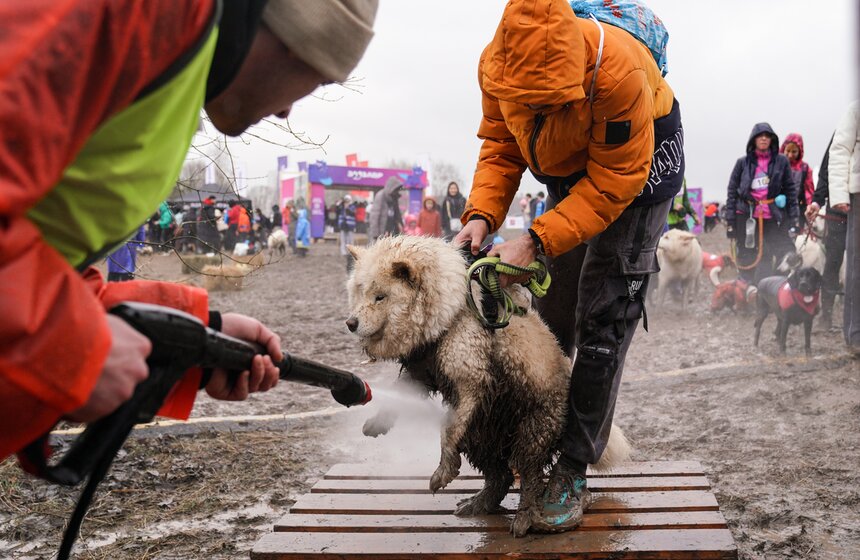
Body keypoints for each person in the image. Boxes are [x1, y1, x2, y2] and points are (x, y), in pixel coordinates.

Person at [0, 0, 379, 462]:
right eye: (315, 78)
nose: (286, 110)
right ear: (279, 33)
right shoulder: (125, 16)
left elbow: (44, 271)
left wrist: (192, 338)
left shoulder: (175, 73)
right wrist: (73, 347)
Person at [454, 0, 684, 532]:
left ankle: (575, 465)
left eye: (549, 102)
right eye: (527, 103)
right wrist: (483, 215)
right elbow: (501, 145)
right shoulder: (497, 65)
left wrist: (534, 241)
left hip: (635, 174)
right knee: (551, 307)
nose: (536, 110)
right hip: (567, 163)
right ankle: (528, 444)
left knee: (605, 313)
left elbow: (611, 184)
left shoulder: (618, 72)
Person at [725, 123, 798, 284]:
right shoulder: (742, 163)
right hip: (746, 214)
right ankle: (747, 290)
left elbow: (790, 190)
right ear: (753, 139)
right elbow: (732, 192)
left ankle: (769, 289)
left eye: (767, 135)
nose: (764, 138)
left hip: (772, 216)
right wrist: (730, 222)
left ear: (772, 140)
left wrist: (794, 218)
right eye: (760, 135)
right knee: (746, 252)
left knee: (774, 251)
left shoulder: (782, 162)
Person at [826, 101, 860, 355]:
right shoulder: (855, 108)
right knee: (856, 266)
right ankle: (855, 333)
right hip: (858, 194)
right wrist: (839, 193)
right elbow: (839, 150)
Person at [806, 134, 847, 331]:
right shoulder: (843, 130)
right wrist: (817, 200)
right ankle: (827, 315)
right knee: (832, 261)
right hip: (839, 209)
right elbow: (825, 172)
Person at [780, 133, 815, 222]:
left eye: (794, 151)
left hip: (797, 208)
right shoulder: (777, 166)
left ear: (800, 151)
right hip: (778, 207)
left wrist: (809, 205)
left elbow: (809, 190)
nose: (790, 155)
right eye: (788, 151)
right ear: (783, 149)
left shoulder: (805, 168)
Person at [336, 195, 357, 270]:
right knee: (343, 240)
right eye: (345, 200)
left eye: (347, 200)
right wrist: (341, 204)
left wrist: (347, 207)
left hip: (350, 225)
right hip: (343, 225)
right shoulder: (341, 206)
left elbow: (352, 213)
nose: (346, 202)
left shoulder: (352, 206)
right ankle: (343, 252)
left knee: (350, 240)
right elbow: (337, 209)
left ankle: (351, 252)